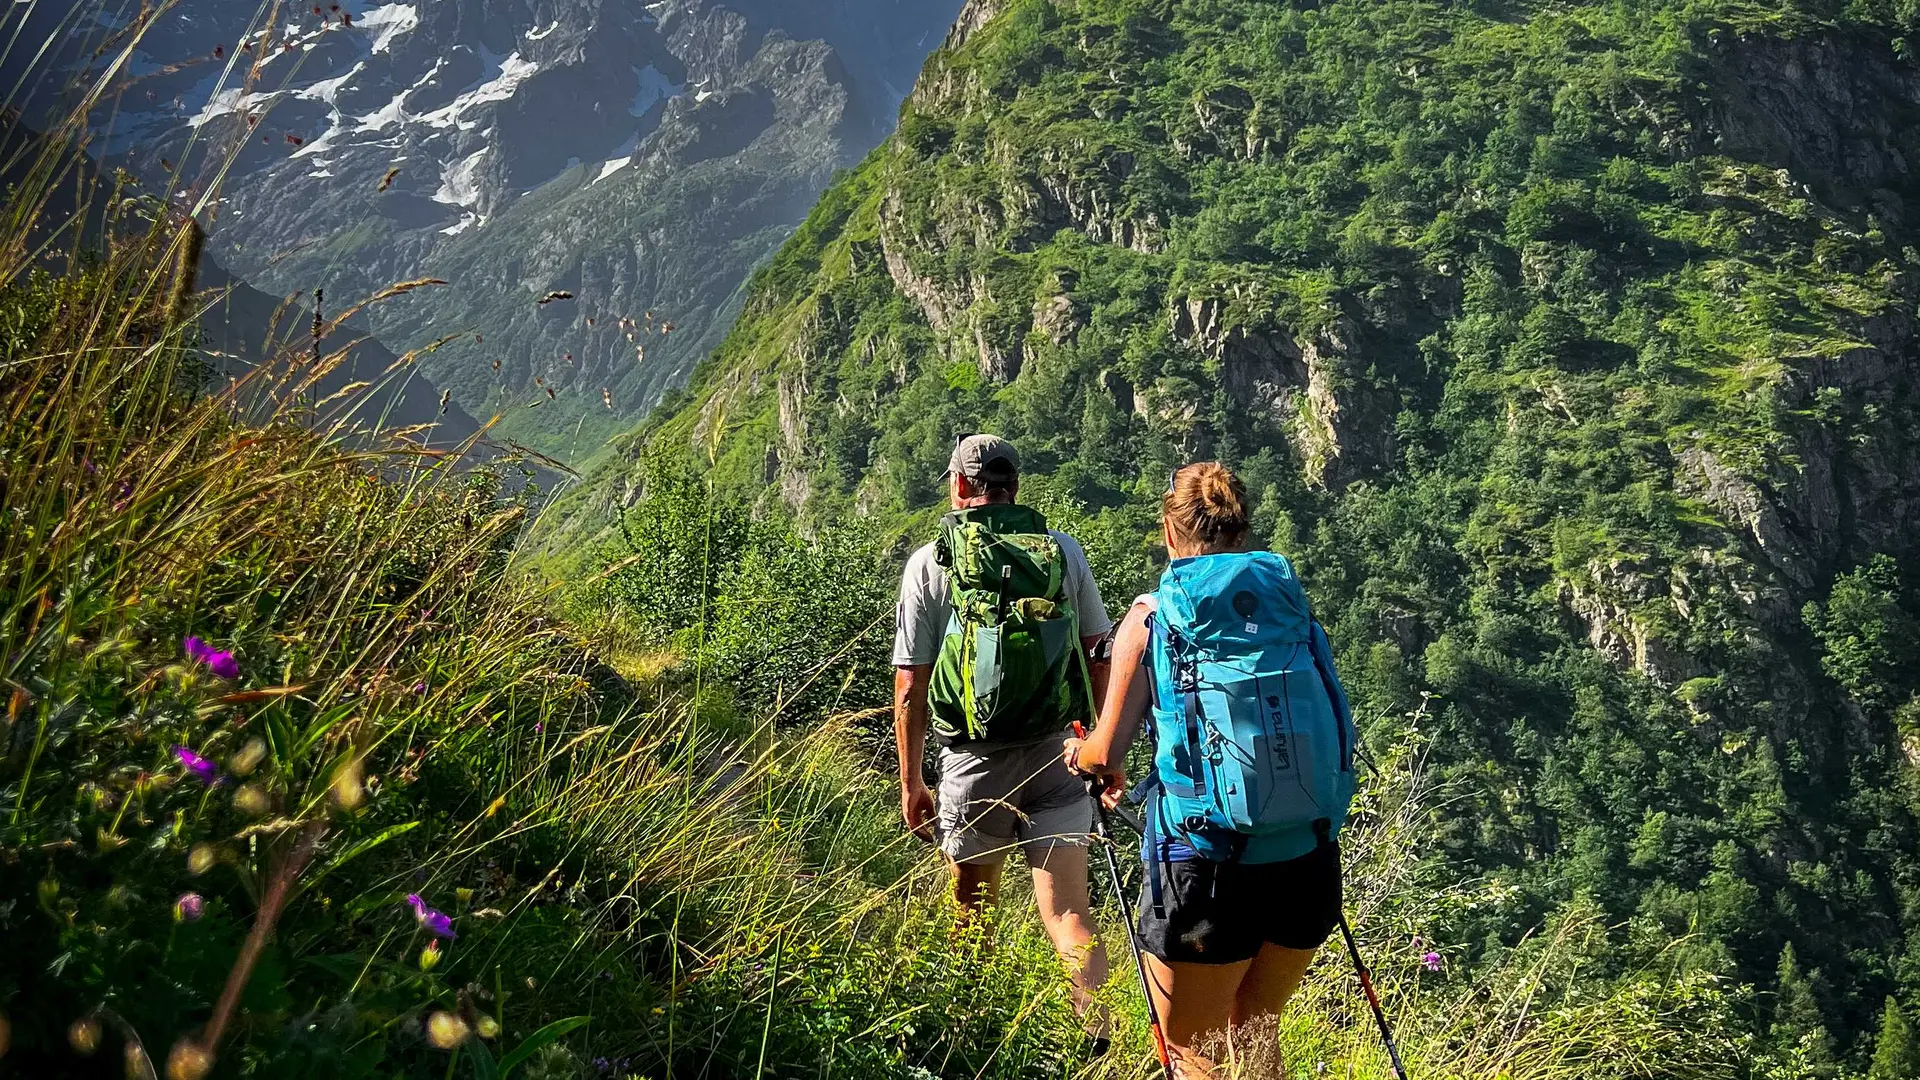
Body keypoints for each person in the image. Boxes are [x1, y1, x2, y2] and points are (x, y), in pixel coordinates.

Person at [1065, 462, 1359, 1079]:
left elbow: (1106, 752)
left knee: (1190, 1050)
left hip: (1206, 865)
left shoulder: (1151, 620)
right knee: (1254, 1031)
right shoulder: (1288, 609)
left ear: (1169, 533)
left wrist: (1083, 754)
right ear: (1243, 530)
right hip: (1307, 857)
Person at [893, 433, 1115, 1047]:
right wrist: (1098, 742)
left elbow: (910, 682)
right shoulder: (1062, 553)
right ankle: (1097, 1040)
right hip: (1057, 753)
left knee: (972, 913)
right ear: (1014, 487)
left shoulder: (929, 562)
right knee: (1071, 915)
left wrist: (912, 781)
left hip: (971, 762)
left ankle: (975, 1038)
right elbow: (1100, 653)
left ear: (960, 486)